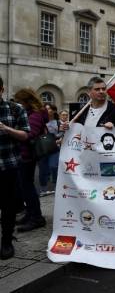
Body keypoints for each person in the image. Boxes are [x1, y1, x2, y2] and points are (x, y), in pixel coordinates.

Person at [0, 76, 30, 259]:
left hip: (8, 166)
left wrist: (6, 129)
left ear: (2, 90)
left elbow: (26, 135)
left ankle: (6, 241)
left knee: (8, 207)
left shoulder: (15, 108)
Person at [13, 88, 48, 233]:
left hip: (27, 155)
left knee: (28, 188)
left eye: (20, 102)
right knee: (25, 187)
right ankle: (30, 214)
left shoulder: (34, 115)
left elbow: (30, 134)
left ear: (27, 101)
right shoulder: (34, 113)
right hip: (26, 154)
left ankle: (36, 217)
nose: (18, 104)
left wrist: (12, 131)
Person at [38, 104, 61, 196]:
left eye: (49, 109)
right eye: (45, 109)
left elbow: (61, 133)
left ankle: (56, 187)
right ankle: (43, 189)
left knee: (54, 166)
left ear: (54, 111)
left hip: (54, 147)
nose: (47, 110)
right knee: (43, 169)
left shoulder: (58, 122)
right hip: (42, 148)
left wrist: (59, 138)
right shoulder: (40, 121)